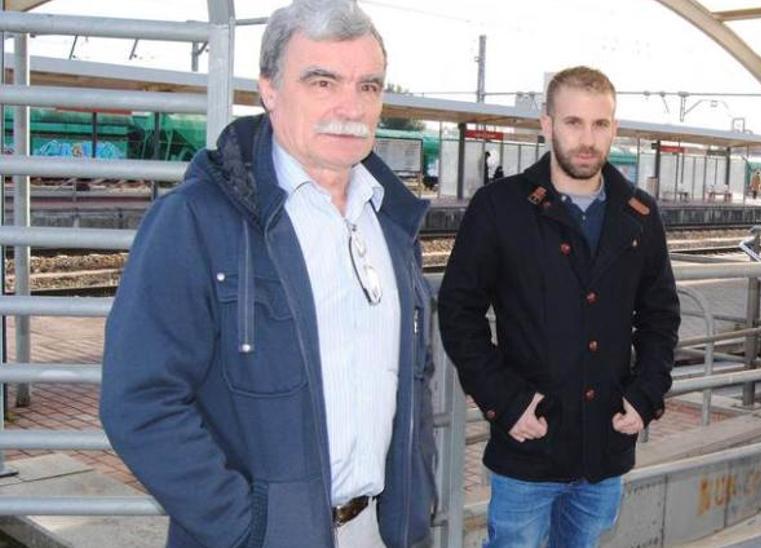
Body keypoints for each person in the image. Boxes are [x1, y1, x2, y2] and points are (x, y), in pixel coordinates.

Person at [99, 1, 436, 546]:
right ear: (270, 89)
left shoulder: (391, 224)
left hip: (375, 531)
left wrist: (414, 503)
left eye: (368, 86)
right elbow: (140, 400)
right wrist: (247, 530)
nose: (350, 107)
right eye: (322, 82)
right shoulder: (195, 220)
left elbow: (412, 380)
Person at [438, 66, 680, 547]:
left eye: (600, 124)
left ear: (614, 127)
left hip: (605, 449)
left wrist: (646, 395)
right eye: (573, 123)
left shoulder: (639, 214)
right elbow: (458, 310)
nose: (587, 139)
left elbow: (660, 316)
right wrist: (504, 402)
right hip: (528, 447)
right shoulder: (500, 207)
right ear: (547, 125)